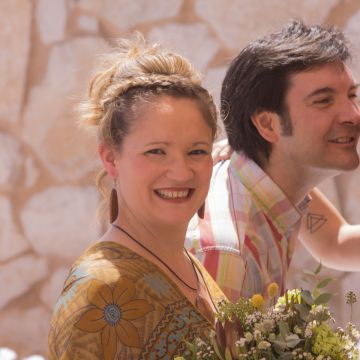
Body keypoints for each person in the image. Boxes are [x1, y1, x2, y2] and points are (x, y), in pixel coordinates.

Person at [48, 35, 226, 359]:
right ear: (111, 158)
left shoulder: (190, 266)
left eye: (197, 151)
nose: (181, 172)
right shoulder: (99, 291)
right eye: (156, 151)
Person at [186, 20, 360, 302]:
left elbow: (335, 241)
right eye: (324, 100)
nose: (352, 115)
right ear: (267, 124)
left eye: (352, 95)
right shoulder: (228, 252)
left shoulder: (273, 181)